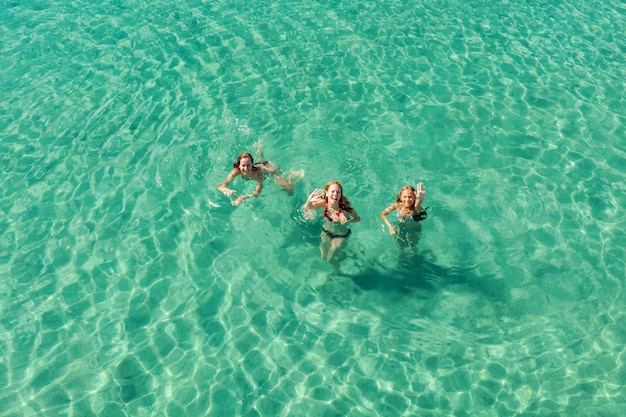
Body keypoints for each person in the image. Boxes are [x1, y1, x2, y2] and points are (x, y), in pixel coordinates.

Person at [217, 141, 303, 205]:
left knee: (289, 189)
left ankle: (296, 175)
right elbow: (220, 185)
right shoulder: (236, 171)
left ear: (251, 164)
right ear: (238, 165)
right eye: (243, 165)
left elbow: (257, 193)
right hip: (259, 165)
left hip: (268, 168)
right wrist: (225, 190)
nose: (246, 168)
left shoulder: (258, 174)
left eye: (248, 165)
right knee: (260, 161)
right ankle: (259, 149)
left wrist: (243, 197)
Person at [304, 181, 361, 261]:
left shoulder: (345, 210)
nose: (335, 194)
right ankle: (325, 269)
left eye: (338, 192)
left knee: (330, 258)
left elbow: (358, 218)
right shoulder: (324, 204)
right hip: (326, 232)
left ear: (340, 195)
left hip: (340, 236)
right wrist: (309, 200)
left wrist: (348, 222)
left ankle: (336, 271)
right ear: (327, 193)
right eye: (332, 191)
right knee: (323, 255)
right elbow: (309, 208)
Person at [380, 182, 428, 251]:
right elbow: (383, 215)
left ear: (414, 197)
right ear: (400, 197)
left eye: (410, 197)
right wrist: (390, 227)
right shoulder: (397, 205)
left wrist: (419, 201)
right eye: (405, 197)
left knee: (413, 248)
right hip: (400, 229)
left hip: (414, 231)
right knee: (401, 247)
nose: (407, 200)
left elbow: (418, 207)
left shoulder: (416, 208)